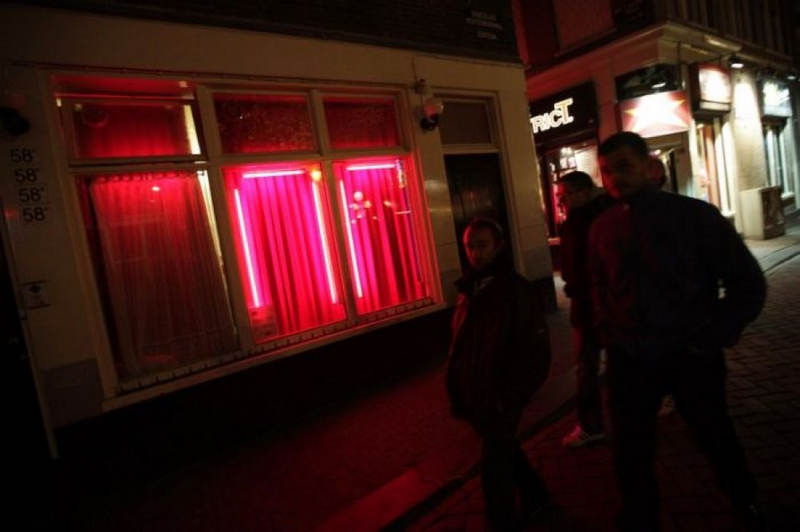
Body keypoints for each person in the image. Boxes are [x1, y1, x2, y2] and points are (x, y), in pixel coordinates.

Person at [589, 131, 769, 532]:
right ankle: (639, 517)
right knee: (631, 451)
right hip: (630, 357)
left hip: (689, 354)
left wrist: (710, 337)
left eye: (623, 166)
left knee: (715, 436)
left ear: (649, 167)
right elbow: (598, 284)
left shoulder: (694, 217)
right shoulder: (602, 228)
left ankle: (745, 503)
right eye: (605, 171)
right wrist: (610, 334)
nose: (614, 178)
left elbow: (748, 284)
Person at [446, 218, 551, 531]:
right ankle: (537, 494)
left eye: (482, 245)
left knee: (494, 468)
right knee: (505, 450)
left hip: (501, 396)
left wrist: (511, 395)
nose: (475, 253)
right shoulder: (469, 289)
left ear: (498, 246)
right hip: (479, 394)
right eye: (469, 246)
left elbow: (535, 351)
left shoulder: (515, 292)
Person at [555, 171, 614, 448]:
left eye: (564, 196)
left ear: (582, 192)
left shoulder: (590, 220)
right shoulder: (594, 216)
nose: (561, 201)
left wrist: (576, 285)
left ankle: (592, 425)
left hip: (595, 305)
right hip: (597, 304)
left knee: (587, 367)